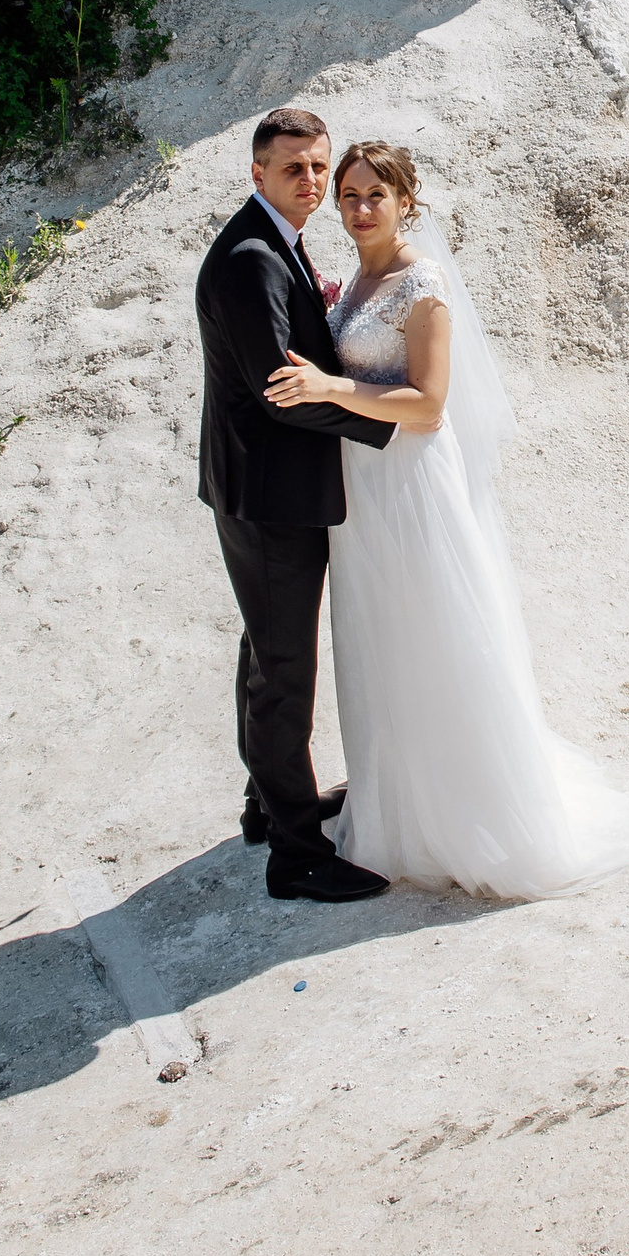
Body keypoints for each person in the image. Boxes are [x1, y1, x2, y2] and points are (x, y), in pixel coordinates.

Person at [262, 139, 629, 901]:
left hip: (408, 481)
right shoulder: (356, 279)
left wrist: (332, 387)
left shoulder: (422, 281)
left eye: (376, 195)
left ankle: (471, 816)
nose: (361, 208)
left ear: (406, 201)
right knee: (380, 643)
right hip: (361, 487)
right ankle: (398, 804)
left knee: (431, 634)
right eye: (349, 196)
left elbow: (429, 406)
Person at [195, 109, 397, 904]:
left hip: (255, 484)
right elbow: (281, 393)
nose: (311, 181)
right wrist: (385, 424)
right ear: (258, 174)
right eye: (293, 169)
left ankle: (267, 802)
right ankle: (296, 855)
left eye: (318, 166)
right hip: (269, 493)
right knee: (284, 671)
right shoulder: (252, 257)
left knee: (266, 649)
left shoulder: (273, 238)